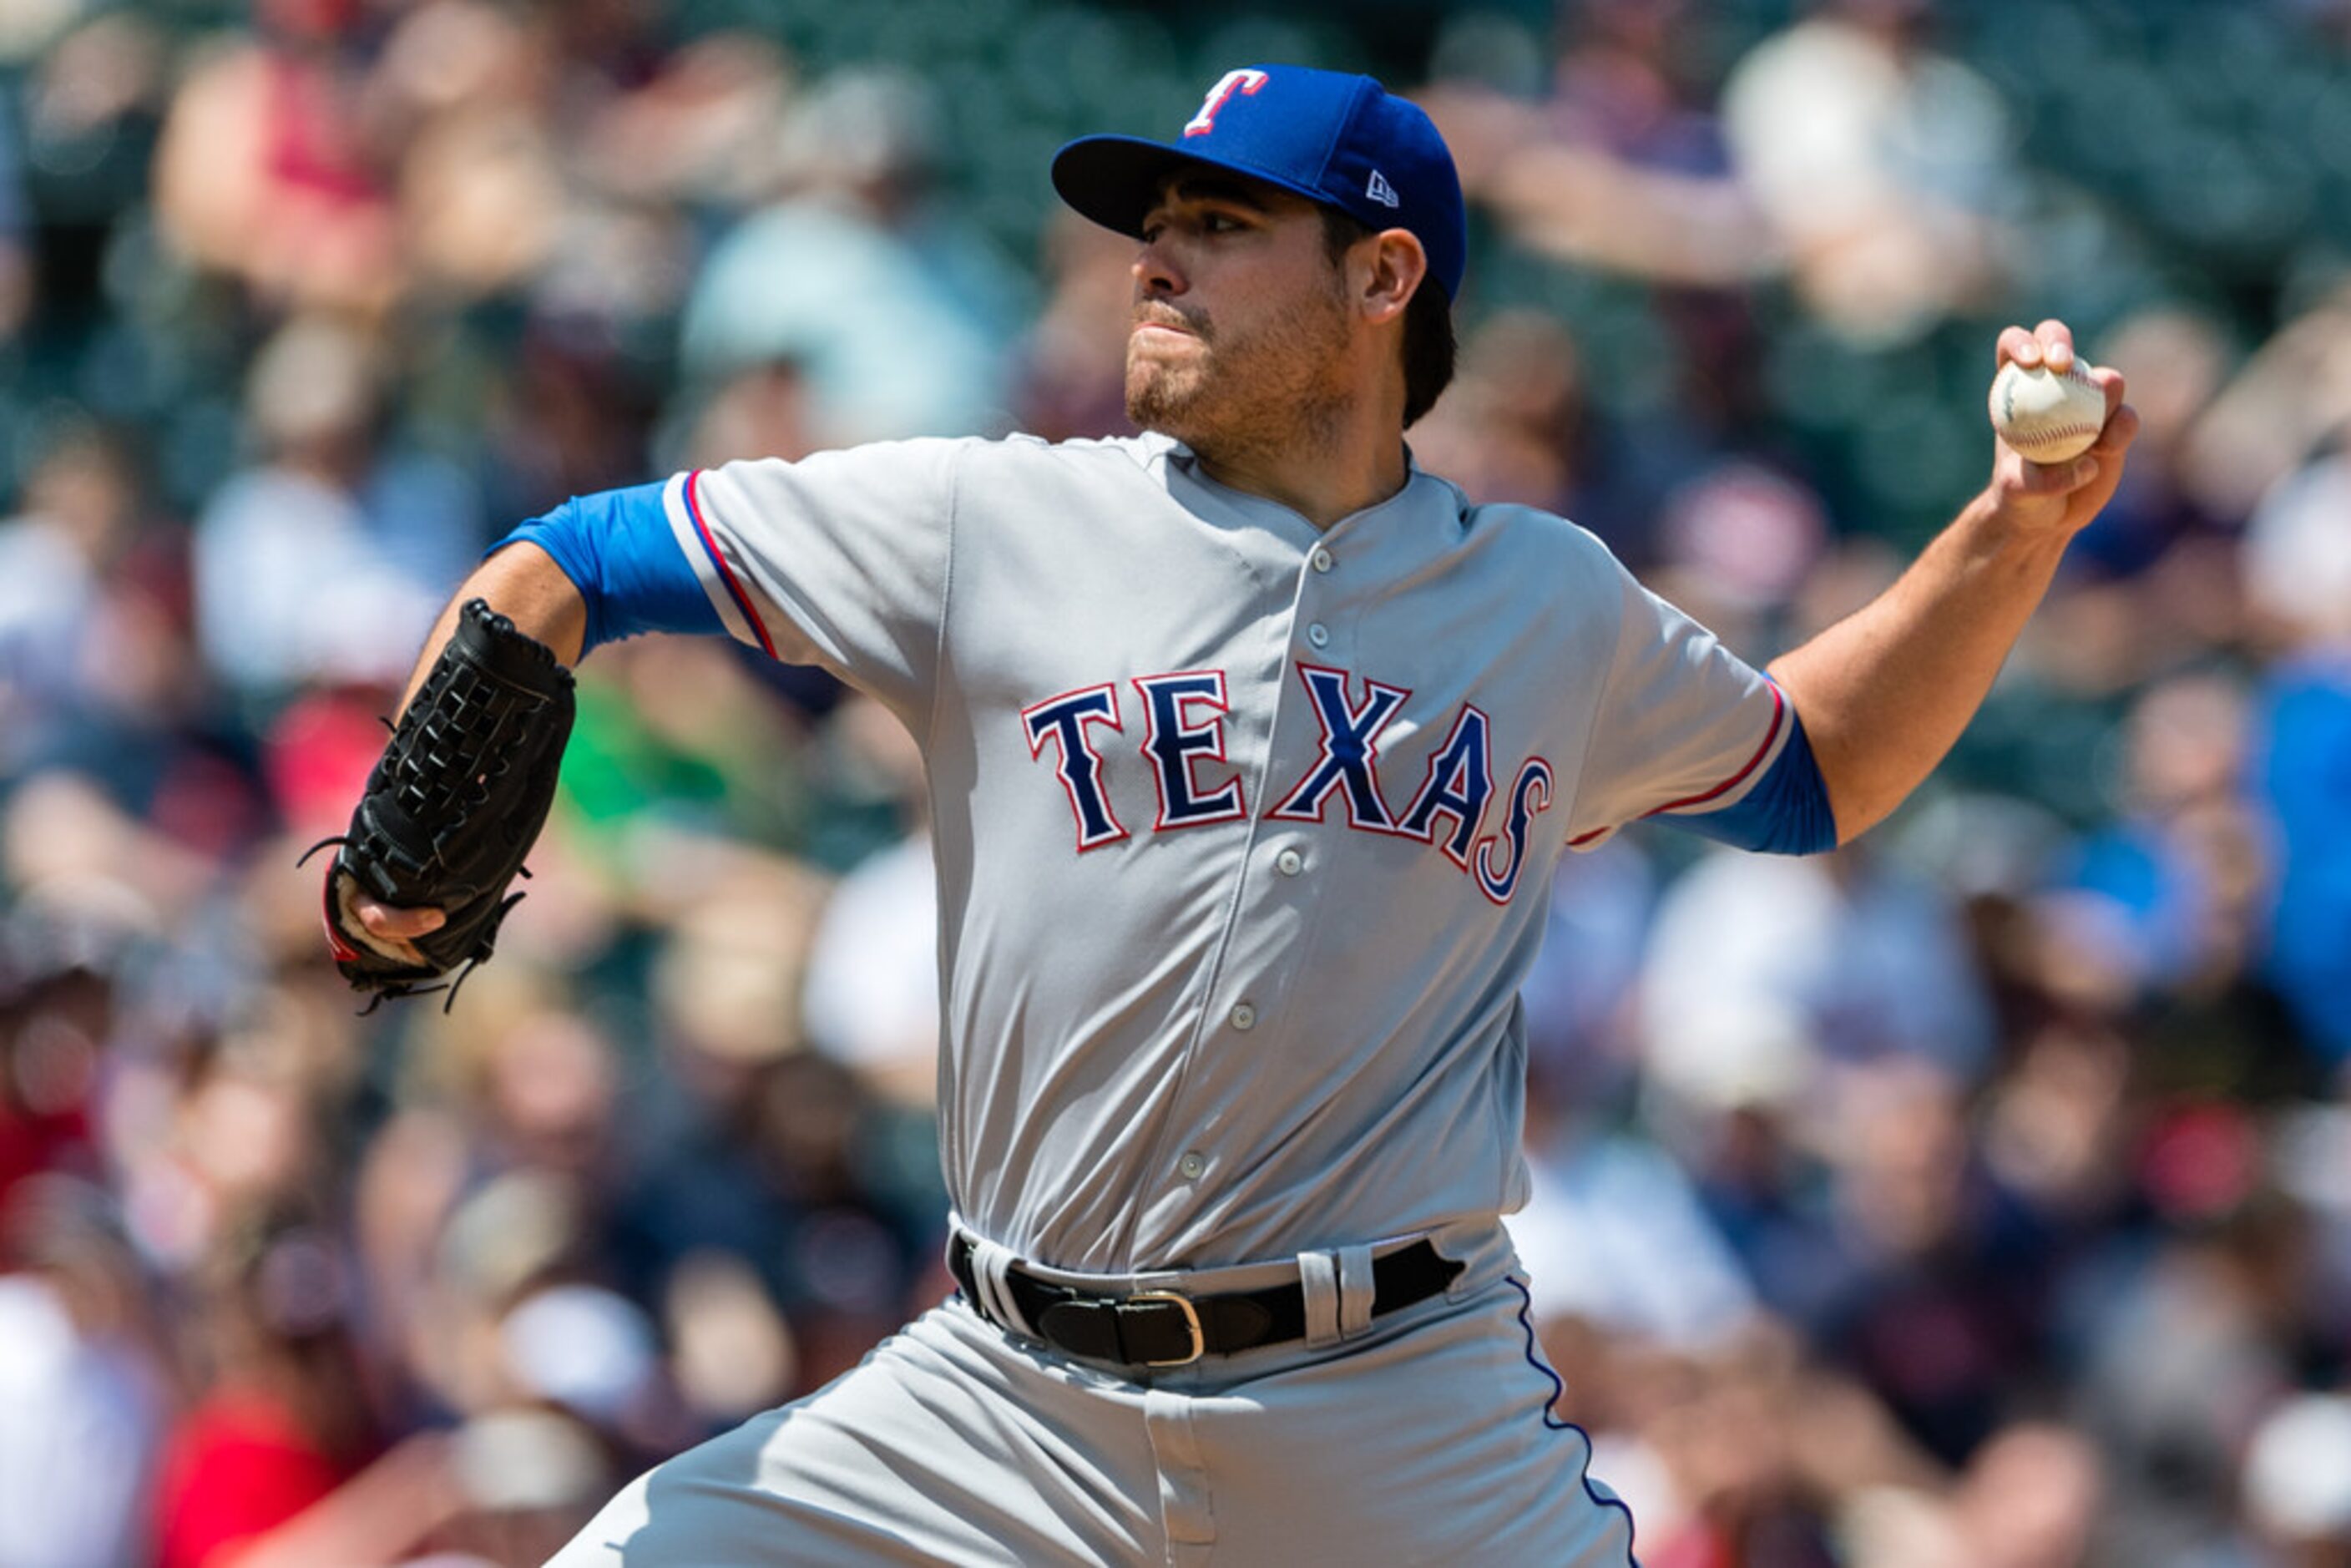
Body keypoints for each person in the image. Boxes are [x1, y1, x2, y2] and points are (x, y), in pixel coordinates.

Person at [331, 63, 2136, 1566]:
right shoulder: (991, 520)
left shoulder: (1548, 605)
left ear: (1381, 278)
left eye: (1219, 226)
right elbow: (570, 559)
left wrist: (2011, 531)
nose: (1154, 265)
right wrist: (413, 832)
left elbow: (1811, 768)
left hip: (1395, 1413)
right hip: (1002, 1405)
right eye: (1155, 229)